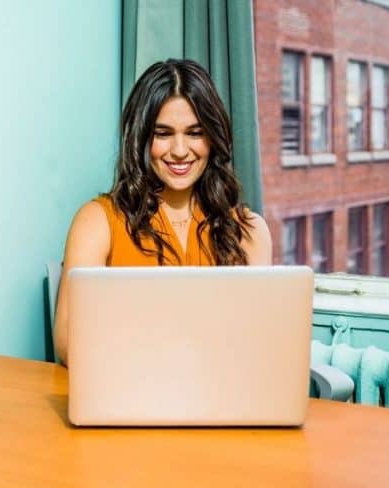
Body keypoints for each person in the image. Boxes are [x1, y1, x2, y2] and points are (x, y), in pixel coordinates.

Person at [54, 59, 272, 365]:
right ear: (142, 138)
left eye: (195, 133)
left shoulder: (250, 231)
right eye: (163, 133)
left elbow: (258, 343)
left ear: (213, 137)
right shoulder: (97, 222)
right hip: (128, 392)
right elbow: (67, 344)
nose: (180, 150)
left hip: (220, 399)